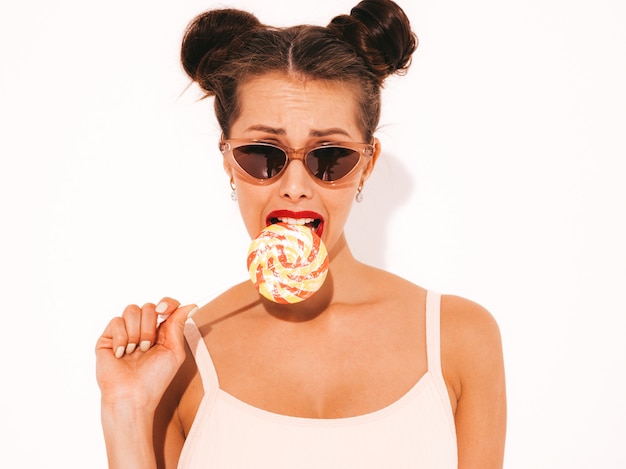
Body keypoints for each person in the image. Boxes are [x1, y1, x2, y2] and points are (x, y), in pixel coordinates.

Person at [95, 1, 507, 467]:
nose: (295, 187)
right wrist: (125, 410)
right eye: (261, 155)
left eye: (329, 157)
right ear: (228, 161)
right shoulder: (179, 360)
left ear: (367, 165)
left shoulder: (459, 337)